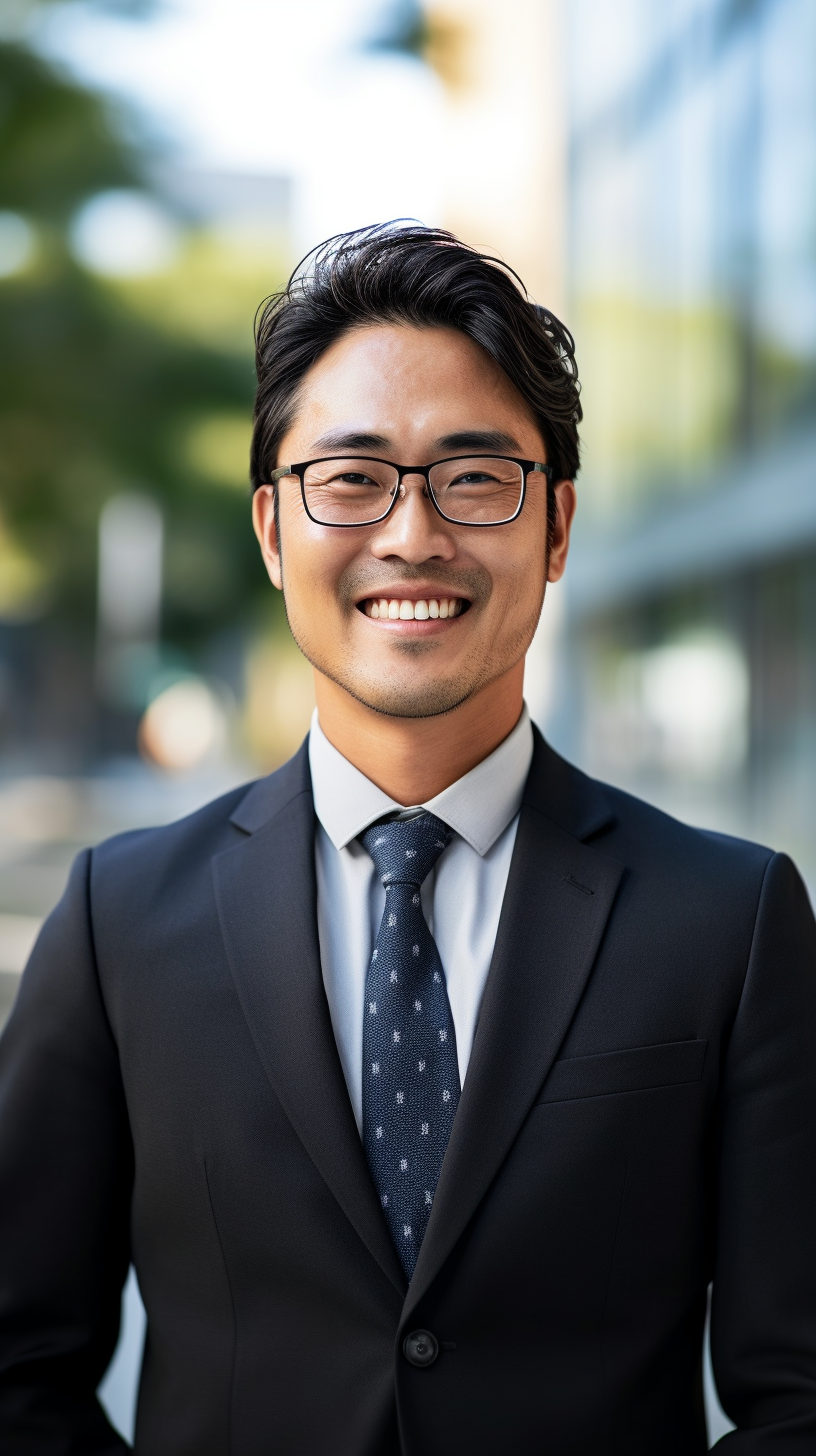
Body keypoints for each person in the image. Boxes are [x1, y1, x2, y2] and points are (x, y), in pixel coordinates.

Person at [1, 224, 815, 1456]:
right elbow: (18, 1365)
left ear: (556, 529)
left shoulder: (729, 919)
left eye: (476, 476)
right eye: (353, 476)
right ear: (275, 530)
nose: (413, 534)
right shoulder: (121, 918)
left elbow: (800, 1394)